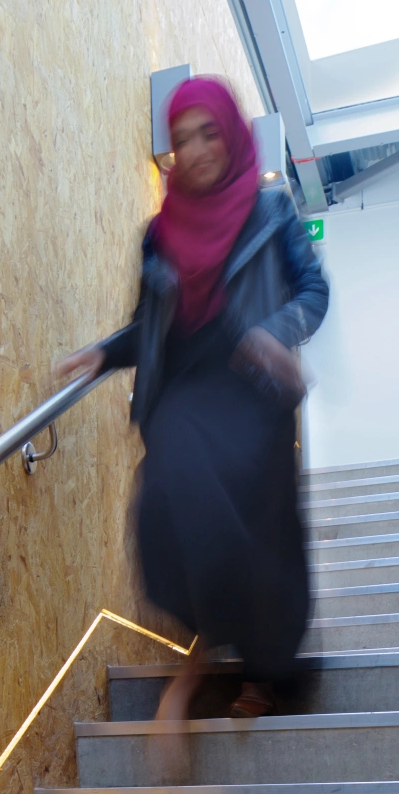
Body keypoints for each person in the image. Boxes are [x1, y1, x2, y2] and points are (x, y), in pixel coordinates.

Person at [60, 76, 329, 720]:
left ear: (232, 132)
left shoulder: (272, 211)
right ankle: (210, 642)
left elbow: (313, 293)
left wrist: (275, 333)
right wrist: (103, 352)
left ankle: (262, 676)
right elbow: (147, 324)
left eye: (209, 132)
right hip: (183, 391)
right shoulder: (158, 234)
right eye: (183, 139)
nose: (198, 149)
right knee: (166, 506)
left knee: (261, 530)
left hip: (253, 390)